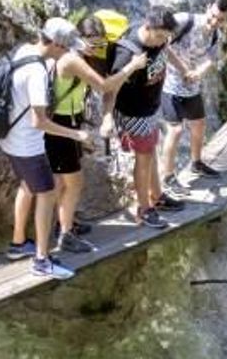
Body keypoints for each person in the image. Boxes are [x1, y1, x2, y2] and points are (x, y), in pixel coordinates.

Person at [38, 15, 148, 253]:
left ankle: (64, 225)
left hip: (68, 123)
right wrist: (132, 66)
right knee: (73, 183)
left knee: (63, 182)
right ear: (79, 38)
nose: (97, 49)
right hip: (62, 125)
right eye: (93, 44)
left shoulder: (77, 56)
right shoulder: (71, 59)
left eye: (100, 45)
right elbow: (105, 86)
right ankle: (64, 234)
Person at [0, 18, 92, 279]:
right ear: (55, 43)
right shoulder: (38, 73)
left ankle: (19, 243)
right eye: (65, 48)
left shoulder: (23, 51)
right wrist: (77, 134)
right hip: (28, 145)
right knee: (48, 192)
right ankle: (42, 260)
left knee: (28, 187)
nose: (66, 53)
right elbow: (39, 121)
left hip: (10, 140)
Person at [101, 7, 191, 230]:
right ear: (147, 28)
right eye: (160, 36)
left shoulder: (159, 39)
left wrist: (183, 69)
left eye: (166, 37)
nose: (163, 41)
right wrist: (106, 118)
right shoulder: (128, 51)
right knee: (143, 158)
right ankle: (144, 209)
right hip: (133, 112)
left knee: (150, 154)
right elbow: (111, 89)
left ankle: (157, 196)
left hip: (150, 107)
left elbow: (166, 51)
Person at [160, 0, 227, 192]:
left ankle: (196, 163)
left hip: (192, 88)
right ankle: (167, 177)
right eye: (213, 16)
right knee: (175, 131)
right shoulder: (184, 20)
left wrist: (198, 73)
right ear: (208, 7)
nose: (214, 22)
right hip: (169, 85)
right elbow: (162, 44)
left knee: (199, 124)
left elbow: (210, 58)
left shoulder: (217, 35)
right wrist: (184, 69)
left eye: (220, 20)